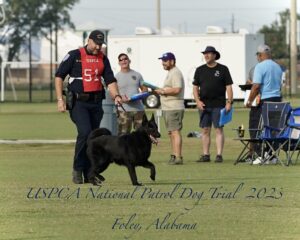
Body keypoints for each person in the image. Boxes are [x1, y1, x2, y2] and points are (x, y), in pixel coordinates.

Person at [55, 30, 123, 184]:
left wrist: (117, 96)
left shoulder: (103, 59)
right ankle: (78, 169)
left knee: (93, 138)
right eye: (96, 44)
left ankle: (89, 172)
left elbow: (110, 80)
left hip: (96, 103)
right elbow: (59, 76)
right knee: (85, 133)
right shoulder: (74, 55)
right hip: (79, 104)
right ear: (89, 40)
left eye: (101, 44)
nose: (98, 47)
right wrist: (60, 99)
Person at [193, 46, 233, 163]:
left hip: (219, 105)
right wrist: (197, 101)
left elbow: (229, 87)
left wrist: (229, 102)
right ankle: (206, 155)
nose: (206, 56)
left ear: (215, 55)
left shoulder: (223, 69)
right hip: (204, 105)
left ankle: (219, 155)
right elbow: (195, 88)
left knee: (218, 129)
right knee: (205, 130)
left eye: (209, 54)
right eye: (205, 54)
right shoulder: (199, 70)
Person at [246, 44, 282, 164]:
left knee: (254, 126)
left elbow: (256, 86)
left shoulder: (259, 67)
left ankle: (260, 155)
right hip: (277, 100)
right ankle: (272, 155)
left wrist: (249, 101)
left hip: (265, 101)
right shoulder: (278, 67)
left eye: (257, 55)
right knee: (273, 128)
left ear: (260, 55)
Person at [155, 52, 185, 165]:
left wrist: (163, 91)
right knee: (171, 132)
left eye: (165, 60)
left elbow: (177, 89)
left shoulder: (176, 73)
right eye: (162, 60)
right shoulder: (171, 73)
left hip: (174, 107)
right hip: (168, 107)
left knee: (175, 132)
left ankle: (178, 157)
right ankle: (174, 155)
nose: (163, 63)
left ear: (172, 61)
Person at [115, 53, 148, 135]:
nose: (123, 61)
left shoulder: (137, 75)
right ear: (119, 63)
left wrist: (137, 97)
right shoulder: (116, 77)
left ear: (129, 60)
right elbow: (114, 94)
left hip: (139, 109)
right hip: (123, 110)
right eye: (121, 60)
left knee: (142, 135)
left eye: (125, 59)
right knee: (123, 136)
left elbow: (145, 90)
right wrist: (120, 98)